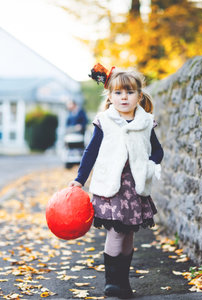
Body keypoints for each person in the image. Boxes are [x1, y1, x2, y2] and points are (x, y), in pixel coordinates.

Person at [69, 64, 164, 298]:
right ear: (110, 96)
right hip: (110, 187)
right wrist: (79, 179)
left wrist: (149, 165)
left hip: (134, 188)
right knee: (116, 233)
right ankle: (111, 283)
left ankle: (123, 283)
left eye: (130, 92)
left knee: (129, 234)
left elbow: (158, 151)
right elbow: (90, 152)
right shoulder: (105, 121)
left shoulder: (145, 122)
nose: (124, 97)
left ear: (139, 96)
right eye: (118, 93)